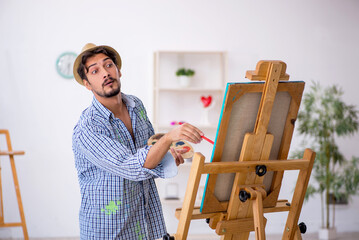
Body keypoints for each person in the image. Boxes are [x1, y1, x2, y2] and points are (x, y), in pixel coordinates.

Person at [72, 43, 203, 240]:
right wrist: (168, 137)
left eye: (108, 65)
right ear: (87, 84)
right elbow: (133, 167)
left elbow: (148, 150)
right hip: (108, 230)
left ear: (119, 71)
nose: (105, 73)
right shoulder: (88, 128)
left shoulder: (135, 105)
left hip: (142, 223)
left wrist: (166, 154)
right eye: (95, 71)